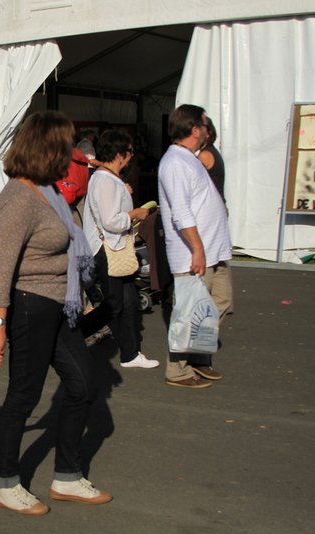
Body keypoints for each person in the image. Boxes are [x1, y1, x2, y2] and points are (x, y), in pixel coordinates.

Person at [0, 111, 111, 515]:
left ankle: (67, 477)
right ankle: (6, 482)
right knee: (24, 395)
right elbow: (1, 266)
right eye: (66, 145)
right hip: (31, 305)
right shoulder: (19, 197)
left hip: (59, 304)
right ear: (48, 148)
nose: (73, 153)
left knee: (84, 385)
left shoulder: (49, 191)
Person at [158, 104, 233, 389]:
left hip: (214, 250)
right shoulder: (175, 162)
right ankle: (177, 370)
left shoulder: (189, 158)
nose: (207, 129)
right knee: (190, 312)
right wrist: (198, 249)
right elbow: (181, 211)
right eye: (204, 124)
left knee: (220, 303)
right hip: (194, 253)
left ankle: (199, 357)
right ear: (194, 130)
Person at [79, 130, 159, 369]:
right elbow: (110, 221)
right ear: (120, 154)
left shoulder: (107, 179)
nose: (132, 157)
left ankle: (130, 354)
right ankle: (71, 334)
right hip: (107, 248)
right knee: (116, 304)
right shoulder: (104, 180)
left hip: (110, 247)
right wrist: (136, 214)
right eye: (130, 152)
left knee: (128, 301)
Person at [198, 116, 226, 204]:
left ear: (208, 133)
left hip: (211, 206)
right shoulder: (211, 151)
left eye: (200, 127)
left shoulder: (205, 155)